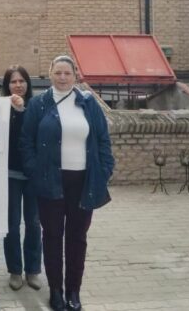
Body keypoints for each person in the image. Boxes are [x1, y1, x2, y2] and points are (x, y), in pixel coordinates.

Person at [20, 55, 114, 311]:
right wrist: (34, 170)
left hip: (84, 181)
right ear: (50, 73)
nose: (62, 77)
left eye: (67, 73)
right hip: (50, 180)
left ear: (75, 75)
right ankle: (56, 291)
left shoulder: (88, 103)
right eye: (58, 72)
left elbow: (103, 140)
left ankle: (74, 290)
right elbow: (26, 142)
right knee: (52, 237)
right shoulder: (39, 104)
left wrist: (104, 170)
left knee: (77, 237)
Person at [1, 66, 42, 292]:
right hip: (10, 175)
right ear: (7, 85)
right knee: (12, 225)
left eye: (22, 81)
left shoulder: (37, 107)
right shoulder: (0, 108)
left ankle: (33, 270)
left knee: (34, 224)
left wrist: (23, 110)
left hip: (33, 175)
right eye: (13, 81)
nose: (18, 85)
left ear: (28, 83)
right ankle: (15, 271)